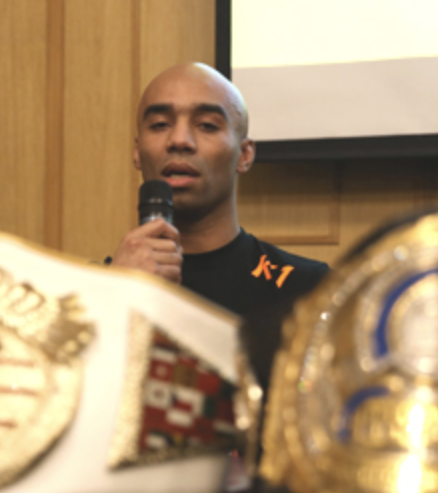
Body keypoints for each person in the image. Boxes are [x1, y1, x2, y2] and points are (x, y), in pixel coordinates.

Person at [110, 62, 329, 319]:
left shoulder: (309, 291)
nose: (179, 140)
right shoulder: (98, 290)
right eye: (160, 125)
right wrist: (113, 293)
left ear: (244, 155)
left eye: (207, 125)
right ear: (137, 152)